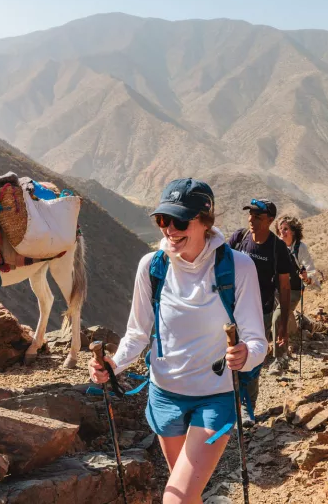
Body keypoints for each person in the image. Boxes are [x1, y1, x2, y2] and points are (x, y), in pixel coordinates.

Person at [88, 178, 267, 504]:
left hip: (216, 401)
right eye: (162, 220)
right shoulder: (152, 266)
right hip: (164, 397)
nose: (169, 229)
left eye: (180, 221)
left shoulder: (237, 268)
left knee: (176, 497)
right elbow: (138, 333)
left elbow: (257, 341)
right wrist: (113, 364)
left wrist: (246, 356)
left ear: (205, 222)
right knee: (187, 495)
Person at [228, 199, 292, 387]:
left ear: (270, 220)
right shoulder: (240, 237)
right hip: (232, 308)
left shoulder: (277, 248)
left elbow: (285, 287)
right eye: (250, 215)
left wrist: (283, 325)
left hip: (260, 312)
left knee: (251, 358)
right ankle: (231, 399)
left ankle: (248, 405)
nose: (251, 220)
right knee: (229, 355)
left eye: (257, 217)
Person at [274, 216, 321, 348]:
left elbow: (311, 270)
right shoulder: (276, 245)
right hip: (276, 289)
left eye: (285, 229)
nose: (282, 233)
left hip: (293, 290)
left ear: (293, 231)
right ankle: (297, 329)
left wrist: (306, 277)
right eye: (280, 229)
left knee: (279, 316)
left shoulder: (300, 248)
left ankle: (280, 354)